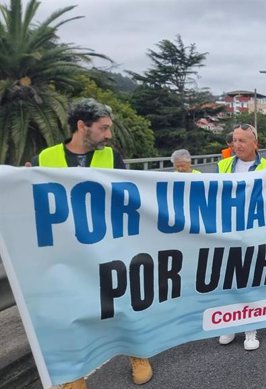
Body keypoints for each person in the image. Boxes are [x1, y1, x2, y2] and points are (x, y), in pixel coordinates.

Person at [29, 98, 152, 389]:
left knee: (125, 302)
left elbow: (133, 196)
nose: (108, 135)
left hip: (110, 248)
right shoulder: (45, 159)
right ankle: (73, 374)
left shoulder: (111, 156)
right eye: (103, 128)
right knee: (69, 313)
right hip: (67, 254)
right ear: (81, 126)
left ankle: (138, 353)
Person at [215, 124, 266, 350]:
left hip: (255, 233)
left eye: (242, 141)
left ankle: (251, 328)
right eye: (234, 140)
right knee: (228, 279)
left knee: (251, 280)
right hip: (228, 232)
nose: (236, 145)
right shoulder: (223, 165)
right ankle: (229, 324)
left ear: (255, 144)